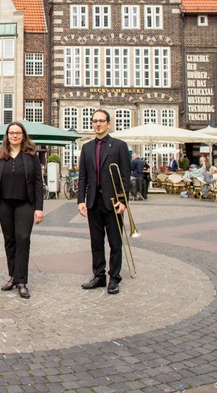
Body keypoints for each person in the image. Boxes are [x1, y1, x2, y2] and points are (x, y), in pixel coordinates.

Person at [0, 121, 44, 299]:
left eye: (18, 133)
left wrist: (39, 208)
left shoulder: (31, 156)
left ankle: (22, 281)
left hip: (25, 203)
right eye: (11, 133)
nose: (14, 136)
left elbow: (37, 183)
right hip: (4, 204)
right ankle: (13, 275)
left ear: (23, 135)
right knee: (9, 239)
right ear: (7, 135)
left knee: (23, 238)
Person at [77, 109, 130, 295]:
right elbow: (82, 176)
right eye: (94, 121)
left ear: (109, 123)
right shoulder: (87, 147)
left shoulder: (119, 146)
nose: (97, 124)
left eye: (101, 121)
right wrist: (80, 200)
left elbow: (125, 176)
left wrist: (124, 201)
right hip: (93, 201)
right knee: (96, 241)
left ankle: (114, 278)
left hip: (113, 201)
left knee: (115, 242)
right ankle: (99, 275)